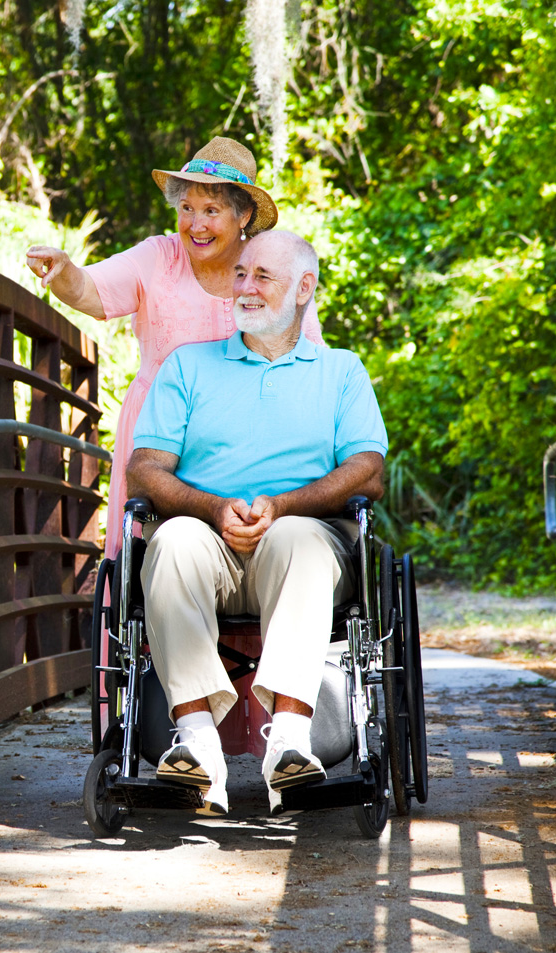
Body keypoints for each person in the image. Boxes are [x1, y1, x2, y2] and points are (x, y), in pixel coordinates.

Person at [124, 230, 387, 815]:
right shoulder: (188, 366)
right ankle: (196, 745)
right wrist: (213, 508)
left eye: (262, 276)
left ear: (304, 288)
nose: (244, 286)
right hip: (208, 539)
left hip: (305, 539)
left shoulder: (340, 371)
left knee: (294, 537)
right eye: (240, 274)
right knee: (169, 540)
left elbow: (369, 471)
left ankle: (289, 742)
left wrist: (285, 506)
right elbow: (144, 472)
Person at [26, 135, 324, 558]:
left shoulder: (271, 265)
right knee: (155, 563)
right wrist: (64, 270)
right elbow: (92, 291)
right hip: (159, 439)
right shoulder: (158, 256)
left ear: (244, 216)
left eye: (211, 210)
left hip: (251, 438)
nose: (195, 224)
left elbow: (309, 357)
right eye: (187, 208)